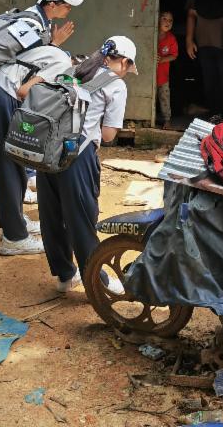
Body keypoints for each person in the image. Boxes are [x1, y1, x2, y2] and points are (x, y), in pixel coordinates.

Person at [38, 37, 136, 293]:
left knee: (52, 215)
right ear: (124, 62)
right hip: (77, 156)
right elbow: (108, 135)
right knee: (82, 220)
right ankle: (97, 282)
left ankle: (64, 276)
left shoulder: (74, 68)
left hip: (47, 150)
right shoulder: (115, 85)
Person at [0, 40, 72, 257]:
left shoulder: (51, 53)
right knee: (9, 164)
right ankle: (15, 237)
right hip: (0, 95)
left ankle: (14, 221)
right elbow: (23, 91)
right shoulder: (63, 64)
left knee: (12, 161)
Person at [20, 0, 83, 205]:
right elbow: (29, 59)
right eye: (67, 5)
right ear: (53, 4)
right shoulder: (31, 22)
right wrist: (55, 46)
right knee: (24, 128)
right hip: (19, 86)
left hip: (29, 85)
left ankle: (28, 175)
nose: (69, 10)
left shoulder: (42, 19)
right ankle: (24, 181)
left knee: (30, 126)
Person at [156, 11, 179, 129]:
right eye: (164, 19)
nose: (167, 22)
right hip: (148, 75)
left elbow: (174, 55)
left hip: (162, 76)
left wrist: (162, 59)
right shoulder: (151, 34)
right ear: (158, 19)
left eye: (170, 21)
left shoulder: (171, 38)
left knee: (164, 97)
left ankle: (167, 120)